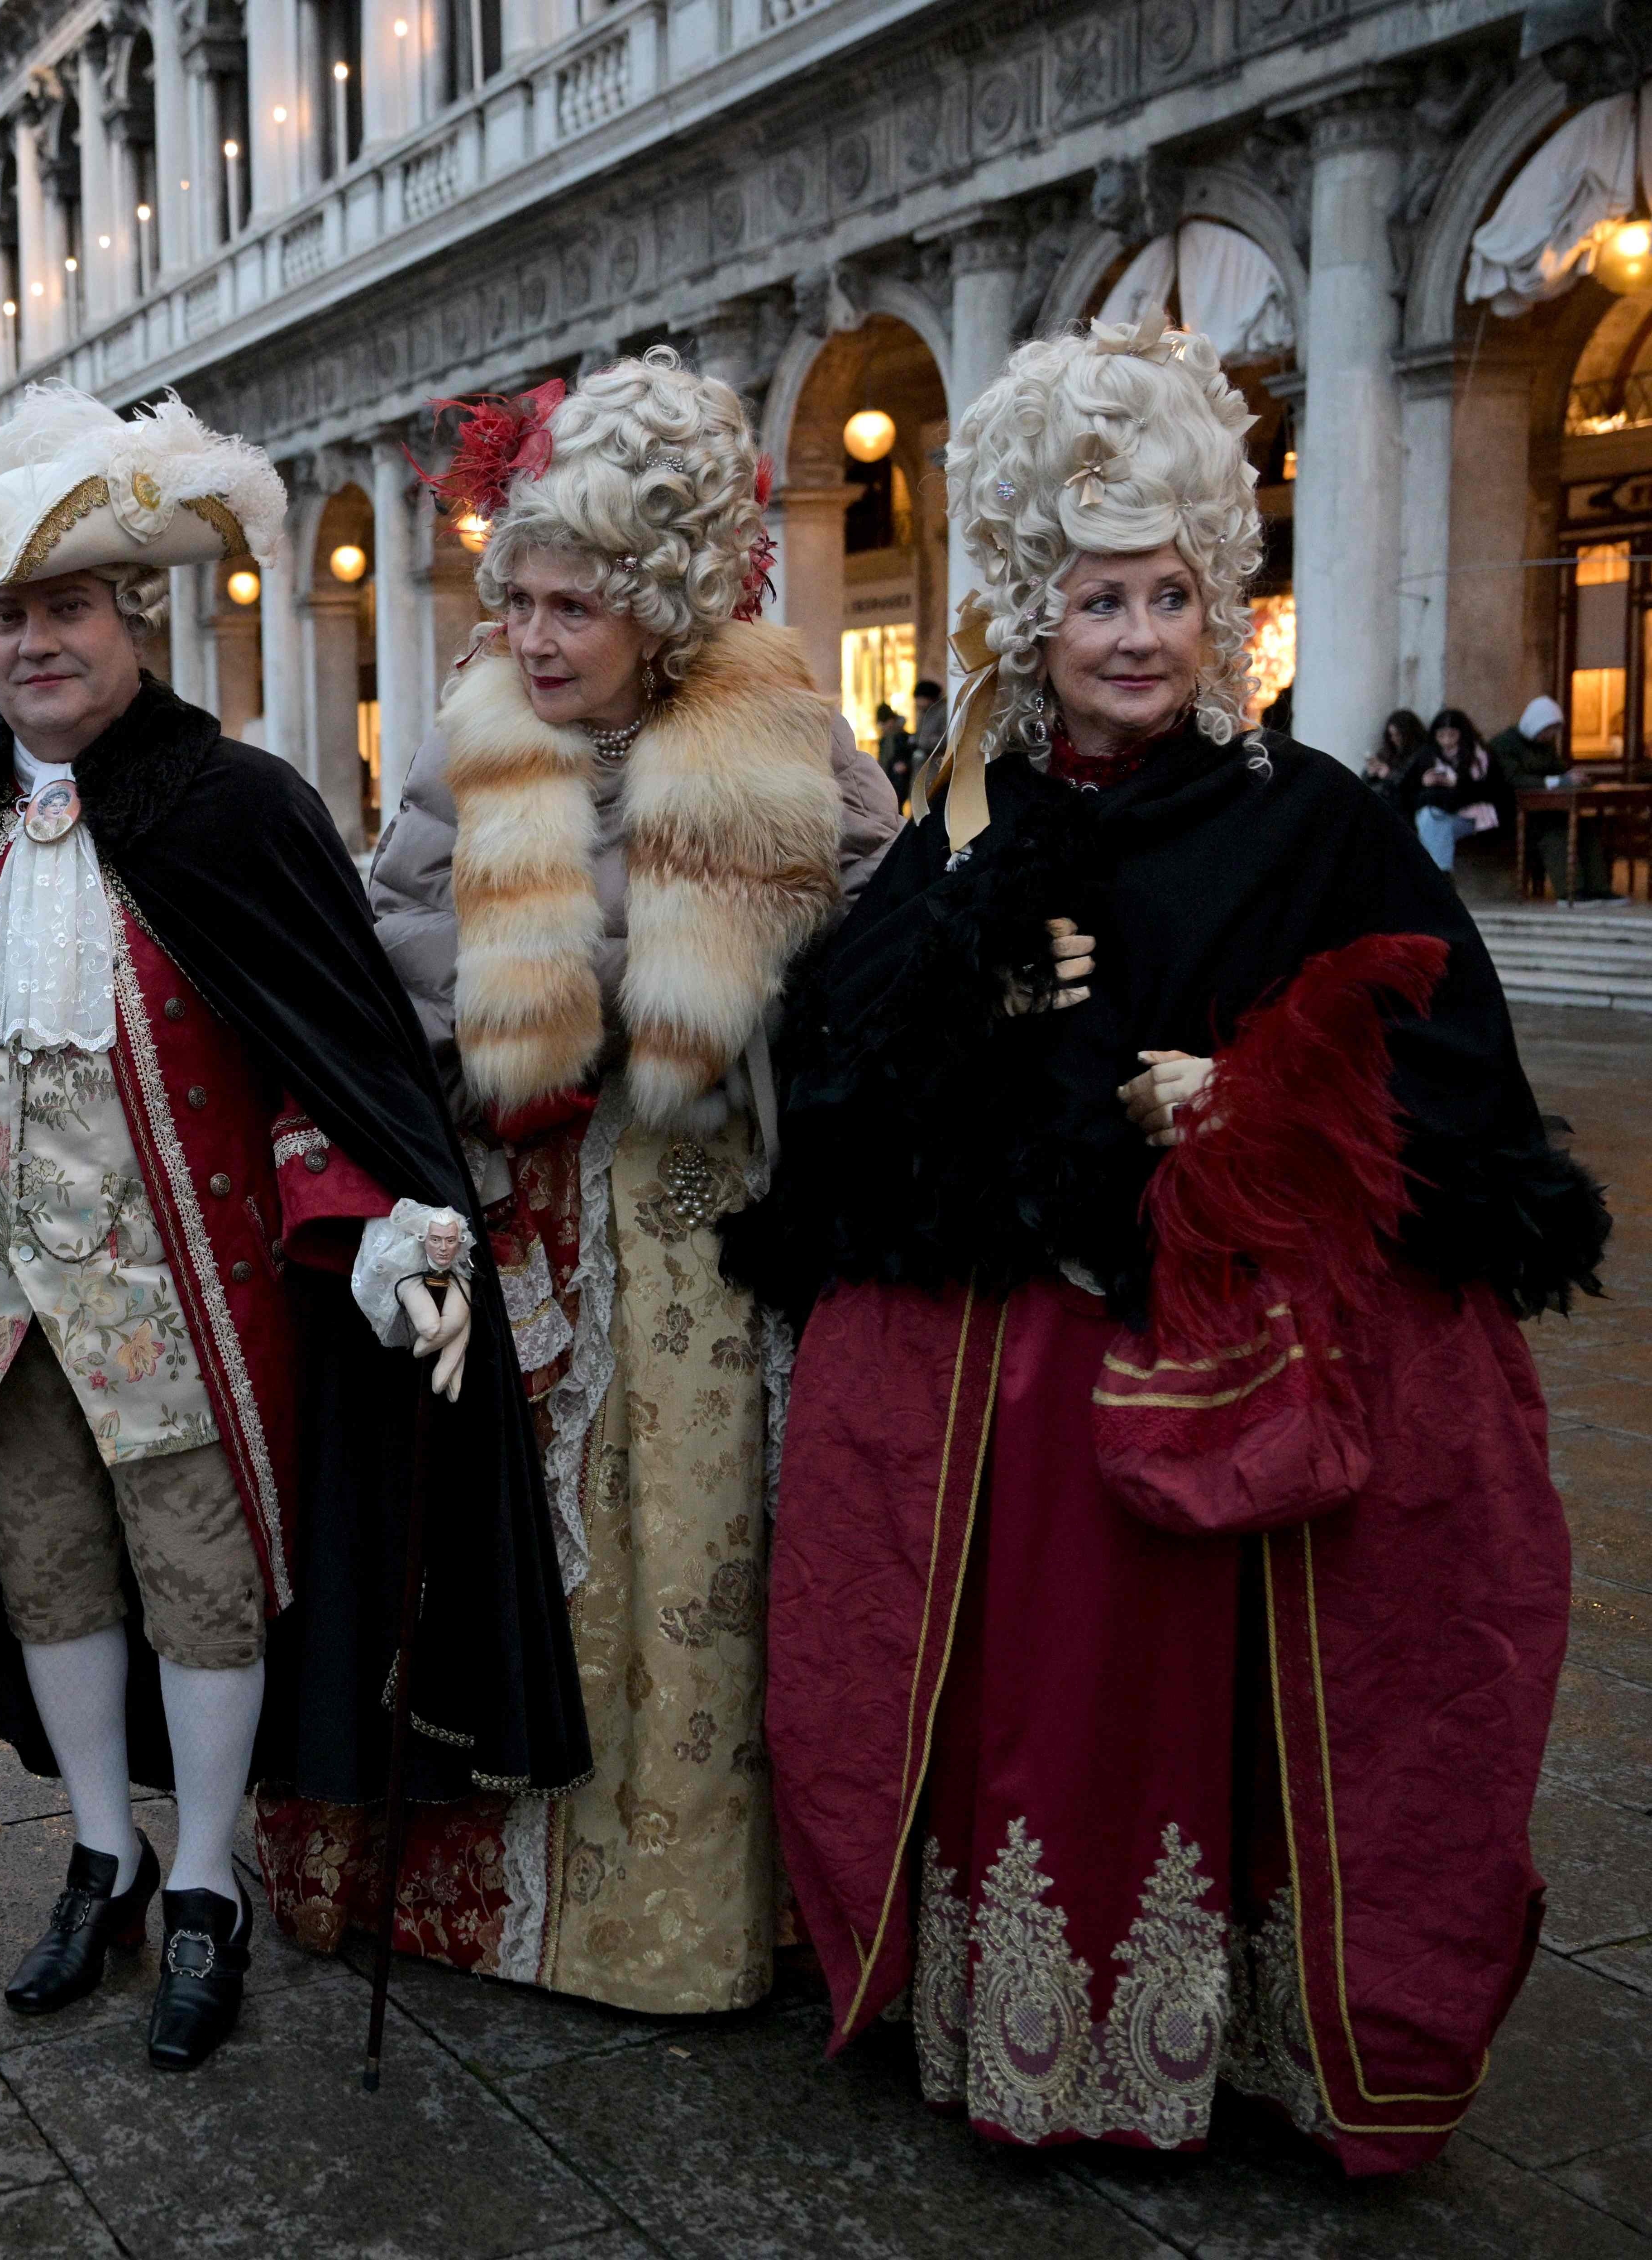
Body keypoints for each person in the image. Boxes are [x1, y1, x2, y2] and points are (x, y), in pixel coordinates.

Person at [721, 316, 1605, 2175]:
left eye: (1170, 598)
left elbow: (1448, 1070)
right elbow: (842, 1080)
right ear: (1034, 616)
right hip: (1024, 1394)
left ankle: (1245, 2049)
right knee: (1048, 1711)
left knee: (1234, 1725)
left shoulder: (1321, 826)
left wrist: (1252, 1100)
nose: (1134, 636)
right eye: (1097, 599)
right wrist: (967, 1001)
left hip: (1247, 1374)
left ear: (1221, 612)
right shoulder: (972, 829)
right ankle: (1034, 2039)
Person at [0, 383, 591, 2071]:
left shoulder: (236, 806)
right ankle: (99, 1852)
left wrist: (375, 1231)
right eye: (6, 616)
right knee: (45, 1567)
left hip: (178, 1304)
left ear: (132, 621)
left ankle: (200, 1874)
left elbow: (319, 1068)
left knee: (201, 1582)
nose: (32, 644)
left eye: (65, 610)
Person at [257, 351, 898, 2017]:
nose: (530, 638)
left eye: (572, 607)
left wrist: (731, 980)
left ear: (665, 609)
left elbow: (882, 966)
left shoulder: (783, 741)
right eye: (517, 596)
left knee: (689, 1561)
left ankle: (681, 1911)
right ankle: (496, 1899)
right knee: (508, 1557)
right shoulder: (469, 738)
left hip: (701, 1235)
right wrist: (524, 1002)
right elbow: (386, 943)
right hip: (518, 1207)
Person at [1494, 695, 1613, 899]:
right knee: (1556, 832)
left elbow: (1559, 770)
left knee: (1585, 828)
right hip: (1514, 814)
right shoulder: (1505, 745)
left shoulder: (1545, 747)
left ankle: (1599, 889)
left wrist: (1574, 777)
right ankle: (1572, 891)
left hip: (1546, 811)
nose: (1551, 735)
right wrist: (1557, 782)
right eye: (1549, 729)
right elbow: (1513, 780)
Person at [1408, 702, 1515, 874]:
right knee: (1429, 819)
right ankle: (1442, 876)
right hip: (1437, 810)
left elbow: (1491, 790)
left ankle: (1438, 877)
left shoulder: (1479, 756)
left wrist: (1457, 784)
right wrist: (1425, 783)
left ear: (1462, 734)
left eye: (1452, 735)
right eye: (1441, 736)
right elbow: (1409, 789)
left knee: (1431, 823)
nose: (1447, 741)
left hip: (1473, 815)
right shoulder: (1428, 755)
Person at [1365, 707, 1428, 804]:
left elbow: (1407, 786)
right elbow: (1365, 780)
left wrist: (1388, 775)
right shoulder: (1389, 750)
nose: (1394, 739)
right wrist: (1370, 774)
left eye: (1398, 735)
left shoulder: (1421, 753)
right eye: (1392, 735)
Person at [874, 698, 918, 805]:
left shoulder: (903, 737)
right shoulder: (886, 739)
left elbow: (912, 757)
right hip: (890, 778)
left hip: (900, 780)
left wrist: (905, 765)